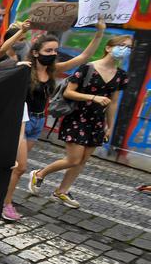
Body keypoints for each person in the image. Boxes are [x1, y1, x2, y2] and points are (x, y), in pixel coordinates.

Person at [0, 20, 105, 221]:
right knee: (20, 167)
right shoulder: (24, 67)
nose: (53, 54)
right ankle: (6, 204)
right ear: (37, 52)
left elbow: (84, 57)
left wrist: (99, 34)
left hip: (37, 122)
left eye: (56, 50)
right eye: (48, 50)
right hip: (20, 121)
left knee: (12, 165)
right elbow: (1, 53)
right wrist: (22, 31)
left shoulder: (52, 71)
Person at [29, 32, 129, 209]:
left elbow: (113, 102)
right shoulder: (88, 68)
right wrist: (94, 97)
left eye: (129, 47)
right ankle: (39, 173)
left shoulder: (121, 75)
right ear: (108, 48)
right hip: (77, 117)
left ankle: (62, 191)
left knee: (82, 160)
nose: (125, 50)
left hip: (97, 121)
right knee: (74, 159)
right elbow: (68, 92)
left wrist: (110, 126)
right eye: (122, 46)